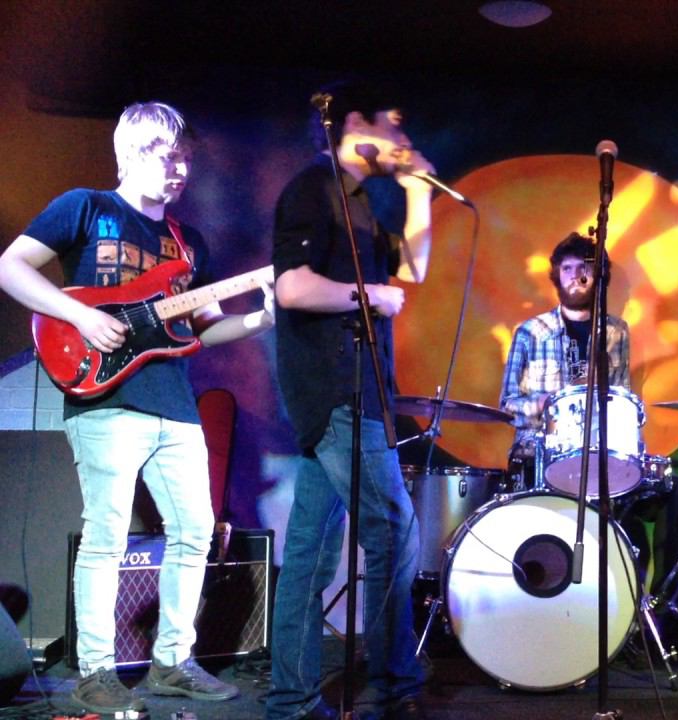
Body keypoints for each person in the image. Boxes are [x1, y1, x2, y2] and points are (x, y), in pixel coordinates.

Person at [0, 102, 271, 714]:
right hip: (106, 397)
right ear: (132, 150)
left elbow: (206, 328)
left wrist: (263, 317)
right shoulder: (85, 207)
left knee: (195, 532)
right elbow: (11, 267)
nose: (179, 169)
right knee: (108, 535)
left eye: (186, 158)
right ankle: (96, 672)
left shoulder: (188, 243)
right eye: (167, 155)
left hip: (174, 401)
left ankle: (173, 662)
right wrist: (80, 315)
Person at [265, 80, 434, 720]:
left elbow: (412, 269)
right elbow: (292, 288)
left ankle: (290, 699)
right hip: (336, 392)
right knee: (392, 528)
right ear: (356, 123)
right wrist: (368, 297)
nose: (404, 138)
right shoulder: (313, 188)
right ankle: (393, 685)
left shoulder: (359, 202)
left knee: (309, 552)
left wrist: (419, 190)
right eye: (395, 125)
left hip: (356, 391)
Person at [499, 231, 631, 471]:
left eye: (583, 267)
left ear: (598, 275)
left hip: (595, 452)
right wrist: (541, 404)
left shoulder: (616, 332)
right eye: (567, 268)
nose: (575, 276)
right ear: (557, 276)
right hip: (537, 453)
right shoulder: (530, 332)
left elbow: (622, 399)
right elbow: (507, 405)